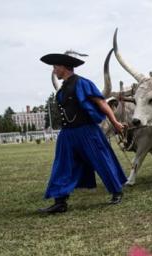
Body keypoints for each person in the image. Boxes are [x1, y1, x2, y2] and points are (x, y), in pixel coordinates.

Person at [39, 50, 127, 214]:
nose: (54, 70)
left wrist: (115, 122)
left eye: (55, 67)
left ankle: (116, 191)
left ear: (64, 67)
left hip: (87, 131)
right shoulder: (63, 88)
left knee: (101, 160)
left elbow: (101, 103)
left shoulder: (83, 83)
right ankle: (60, 201)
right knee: (61, 166)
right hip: (67, 135)